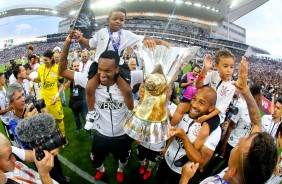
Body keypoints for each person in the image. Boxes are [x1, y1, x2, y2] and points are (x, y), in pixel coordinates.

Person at [180, 57, 277, 184]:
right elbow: (256, 123)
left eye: (242, 143)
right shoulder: (241, 173)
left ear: (232, 172)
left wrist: (185, 179)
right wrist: (246, 90)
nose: (242, 138)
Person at [59, 36, 143, 182]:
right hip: (101, 134)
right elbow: (62, 71)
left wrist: (148, 49)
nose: (103, 75)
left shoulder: (130, 76)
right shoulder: (89, 80)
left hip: (123, 134)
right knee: (95, 162)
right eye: (100, 70)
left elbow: (157, 74)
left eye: (108, 71)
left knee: (123, 159)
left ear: (117, 69)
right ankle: (102, 169)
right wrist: (67, 43)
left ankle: (119, 170)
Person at [71, 7, 171, 130]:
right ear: (108, 20)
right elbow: (90, 43)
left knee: (127, 90)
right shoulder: (102, 32)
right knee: (90, 88)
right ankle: (91, 114)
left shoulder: (127, 34)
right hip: (99, 64)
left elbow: (144, 39)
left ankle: (129, 112)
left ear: (124, 21)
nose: (118, 21)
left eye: (122, 20)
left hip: (118, 65)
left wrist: (162, 42)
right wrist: (81, 39)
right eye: (115, 19)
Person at [155, 86, 221, 183]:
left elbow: (201, 162)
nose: (194, 105)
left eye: (201, 103)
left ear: (211, 108)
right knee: (159, 179)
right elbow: (172, 132)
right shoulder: (183, 113)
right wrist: (167, 147)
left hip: (182, 173)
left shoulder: (215, 131)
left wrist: (184, 138)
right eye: (194, 98)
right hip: (166, 161)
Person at [196, 49, 236, 124]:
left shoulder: (231, 87)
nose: (229, 70)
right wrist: (204, 70)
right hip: (205, 109)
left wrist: (207, 117)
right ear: (217, 66)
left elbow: (221, 108)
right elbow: (198, 85)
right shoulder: (213, 75)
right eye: (225, 66)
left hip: (216, 116)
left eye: (231, 67)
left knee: (206, 127)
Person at [36, 50, 66, 137]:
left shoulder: (57, 68)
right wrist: (31, 78)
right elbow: (39, 79)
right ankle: (52, 138)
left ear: (51, 59)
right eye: (43, 60)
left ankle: (63, 137)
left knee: (59, 119)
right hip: (44, 99)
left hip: (54, 99)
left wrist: (57, 95)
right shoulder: (40, 68)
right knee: (47, 120)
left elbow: (62, 84)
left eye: (46, 60)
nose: (44, 62)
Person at [65, 60, 92, 139]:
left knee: (85, 118)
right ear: (72, 67)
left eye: (77, 66)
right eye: (74, 66)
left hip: (82, 100)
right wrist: (71, 78)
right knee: (76, 117)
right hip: (73, 100)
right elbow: (66, 87)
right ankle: (79, 128)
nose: (76, 67)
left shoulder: (82, 75)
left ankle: (89, 133)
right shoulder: (68, 75)